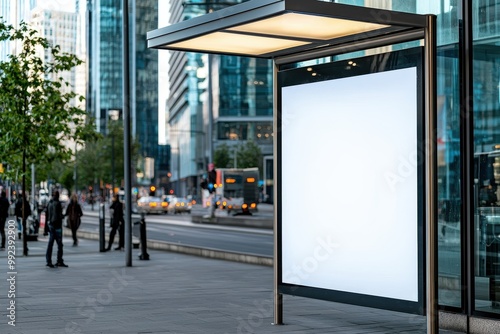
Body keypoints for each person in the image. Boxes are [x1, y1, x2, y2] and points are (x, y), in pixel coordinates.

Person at [45, 191, 68, 268]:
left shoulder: (50, 203)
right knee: (60, 244)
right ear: (58, 196)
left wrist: (46, 227)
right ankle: (59, 260)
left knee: (50, 244)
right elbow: (59, 215)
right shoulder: (57, 203)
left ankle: (48, 261)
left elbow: (47, 215)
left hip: (51, 225)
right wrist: (63, 215)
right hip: (57, 226)